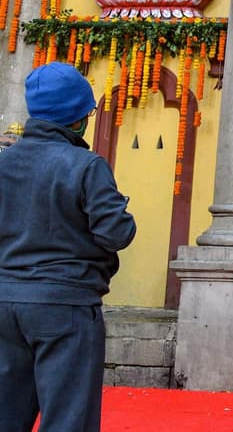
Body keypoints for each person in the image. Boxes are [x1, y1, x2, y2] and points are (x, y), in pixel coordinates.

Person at [0, 62, 136, 431]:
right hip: (65, 303)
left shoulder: (4, 161)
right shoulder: (86, 165)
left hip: (4, 301)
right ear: (77, 119)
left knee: (6, 412)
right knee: (67, 418)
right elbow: (116, 234)